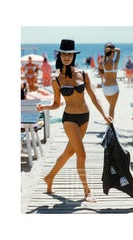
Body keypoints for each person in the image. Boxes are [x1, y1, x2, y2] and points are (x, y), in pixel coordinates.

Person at [36, 39, 112, 202]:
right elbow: (57, 104)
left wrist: (105, 114)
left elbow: (93, 97)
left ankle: (49, 177)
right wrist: (46, 108)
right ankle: (87, 191)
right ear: (60, 55)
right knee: (81, 154)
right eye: (64, 54)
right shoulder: (56, 80)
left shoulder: (83, 75)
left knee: (69, 152)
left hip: (84, 117)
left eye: (69, 54)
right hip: (69, 119)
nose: (66, 57)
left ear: (73, 56)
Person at [102, 42, 121, 119]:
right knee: (112, 109)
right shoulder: (115, 63)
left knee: (111, 107)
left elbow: (106, 54)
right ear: (113, 53)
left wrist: (108, 50)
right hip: (114, 88)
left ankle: (109, 124)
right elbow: (119, 51)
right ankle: (110, 126)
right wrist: (112, 49)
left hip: (105, 89)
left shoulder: (103, 63)